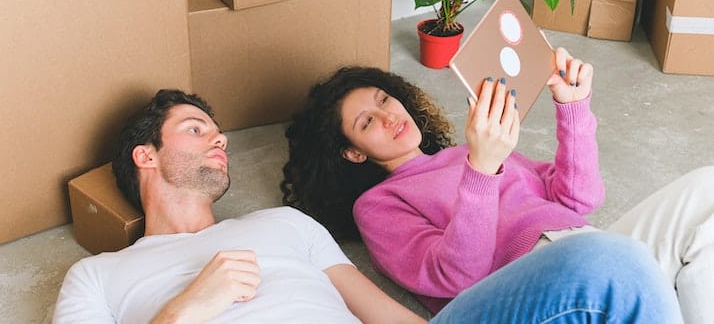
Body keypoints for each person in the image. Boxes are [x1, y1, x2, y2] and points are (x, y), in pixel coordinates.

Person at [52, 89, 683, 323]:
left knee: (609, 263)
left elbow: (392, 316)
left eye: (217, 130)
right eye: (195, 129)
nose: (219, 137)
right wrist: (186, 310)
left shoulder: (284, 225)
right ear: (145, 156)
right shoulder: (97, 277)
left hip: (551, 257)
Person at [281, 48, 714, 323]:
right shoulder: (378, 204)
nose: (390, 116)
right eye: (367, 122)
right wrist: (483, 170)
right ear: (353, 152)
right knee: (617, 256)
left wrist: (573, 107)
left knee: (707, 187)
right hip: (528, 286)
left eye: (384, 100)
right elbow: (454, 276)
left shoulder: (464, 153)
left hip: (588, 248)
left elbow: (578, 199)